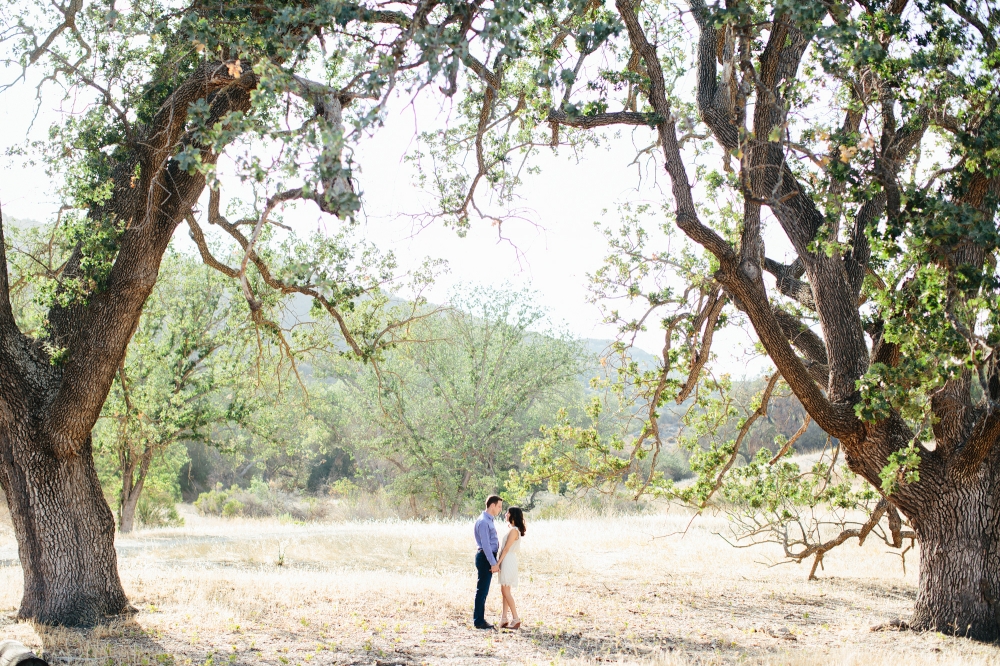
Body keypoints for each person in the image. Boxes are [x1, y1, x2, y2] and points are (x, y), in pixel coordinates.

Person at [473, 495, 503, 629]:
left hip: (488, 557)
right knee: (482, 590)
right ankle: (478, 621)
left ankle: (479, 619)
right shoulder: (484, 521)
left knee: (483, 590)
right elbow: (485, 545)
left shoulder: (488, 520)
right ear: (492, 505)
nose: (500, 510)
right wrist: (493, 563)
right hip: (485, 557)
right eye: (499, 506)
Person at [496, 506, 526, 629]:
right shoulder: (513, 530)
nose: (505, 514)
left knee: (505, 591)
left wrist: (498, 563)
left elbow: (506, 548)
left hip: (508, 560)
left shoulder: (514, 530)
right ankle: (504, 618)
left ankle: (515, 618)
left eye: (507, 513)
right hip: (507, 559)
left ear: (512, 515)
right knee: (505, 590)